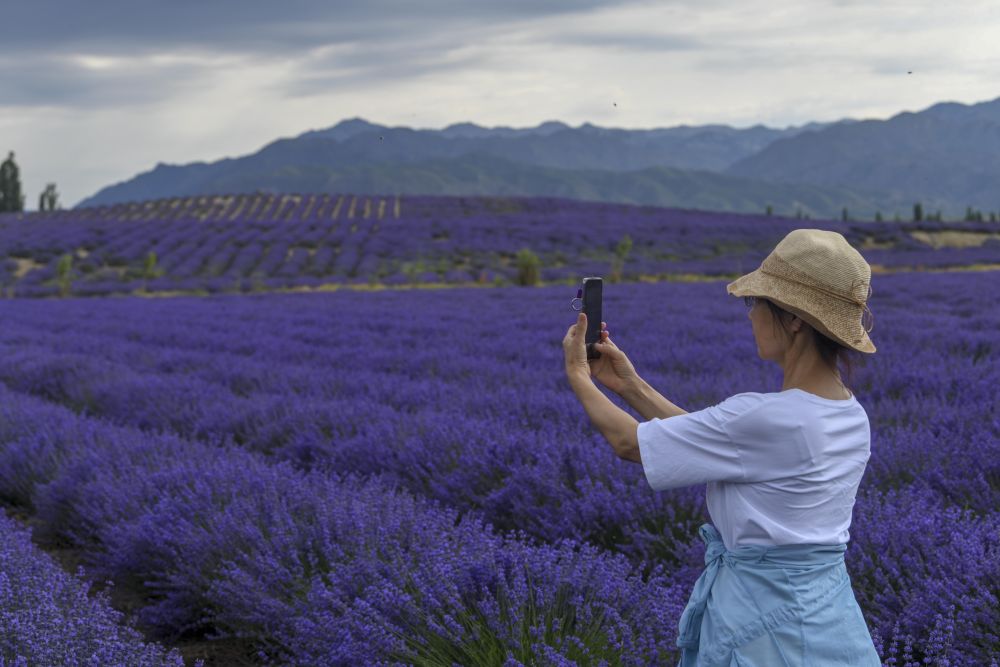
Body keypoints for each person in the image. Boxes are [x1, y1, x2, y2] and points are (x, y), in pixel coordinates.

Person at [563, 228, 881, 666]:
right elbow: (713, 442)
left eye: (756, 304)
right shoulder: (850, 414)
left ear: (793, 319)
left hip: (764, 628)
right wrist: (629, 386)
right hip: (826, 617)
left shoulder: (767, 416)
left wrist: (578, 373)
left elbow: (628, 444)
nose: (749, 316)